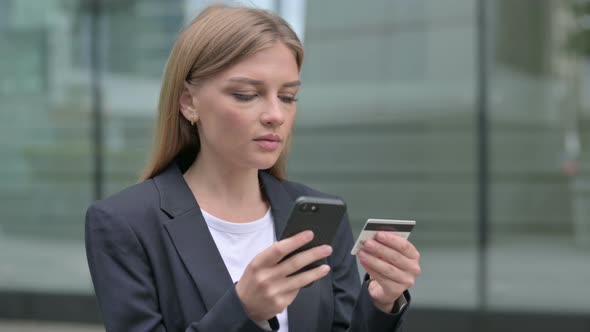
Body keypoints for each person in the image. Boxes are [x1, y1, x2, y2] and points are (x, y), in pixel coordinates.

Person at [85, 4, 421, 332]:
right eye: (247, 94)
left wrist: (382, 303)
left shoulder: (319, 214)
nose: (275, 114)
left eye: (288, 97)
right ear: (189, 102)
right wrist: (244, 311)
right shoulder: (124, 223)